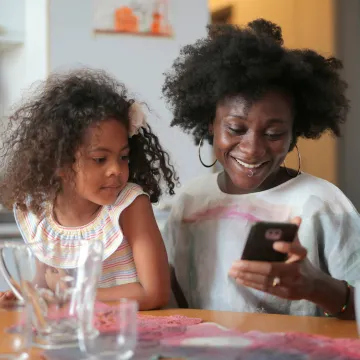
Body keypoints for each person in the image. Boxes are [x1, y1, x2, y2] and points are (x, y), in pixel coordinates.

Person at [162, 19, 360, 319]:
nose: (253, 149)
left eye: (273, 134)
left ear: (294, 134)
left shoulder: (321, 204)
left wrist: (316, 287)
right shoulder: (190, 200)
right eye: (236, 128)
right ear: (210, 127)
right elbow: (173, 299)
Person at [0, 68, 178, 310]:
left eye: (124, 157)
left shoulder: (129, 204)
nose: (116, 169)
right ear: (60, 163)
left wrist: (74, 293)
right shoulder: (42, 215)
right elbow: (46, 286)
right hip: (84, 335)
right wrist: (27, 295)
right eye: (100, 159)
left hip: (137, 333)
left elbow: (154, 293)